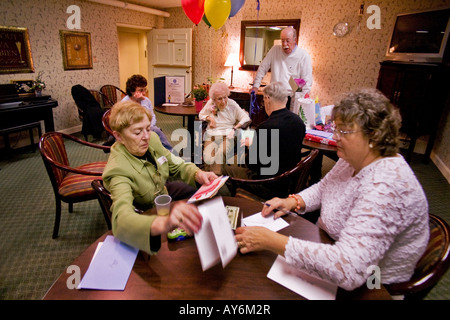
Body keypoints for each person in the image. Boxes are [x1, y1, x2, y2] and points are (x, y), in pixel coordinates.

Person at [235, 89, 429, 292]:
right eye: (336, 129)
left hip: (373, 285)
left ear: (374, 135)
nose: (335, 137)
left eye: (344, 132)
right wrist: (293, 201)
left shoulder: (387, 185)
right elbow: (325, 187)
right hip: (331, 245)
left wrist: (270, 240)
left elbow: (348, 269)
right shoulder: (353, 159)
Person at [102, 100, 217, 254]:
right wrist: (165, 223)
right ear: (119, 136)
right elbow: (121, 220)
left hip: (163, 195)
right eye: (137, 132)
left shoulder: (153, 139)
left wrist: (198, 174)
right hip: (145, 216)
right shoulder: (117, 170)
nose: (146, 137)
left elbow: (175, 164)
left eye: (148, 129)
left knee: (195, 192)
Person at [223, 81, 305, 199]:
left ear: (267, 98)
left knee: (226, 170)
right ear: (285, 99)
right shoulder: (298, 121)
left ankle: (234, 205)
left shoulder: (265, 127)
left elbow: (251, 164)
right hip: (289, 179)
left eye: (263, 100)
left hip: (268, 184)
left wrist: (250, 145)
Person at [250, 27, 313, 108]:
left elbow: (307, 82)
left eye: (287, 41)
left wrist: (301, 103)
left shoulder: (303, 56)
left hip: (290, 98)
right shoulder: (275, 50)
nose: (284, 44)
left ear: (295, 40)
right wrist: (256, 86)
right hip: (273, 96)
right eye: (282, 40)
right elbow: (263, 68)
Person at [198, 82, 251, 175]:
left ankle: (215, 179)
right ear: (214, 99)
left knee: (220, 153)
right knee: (208, 155)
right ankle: (208, 176)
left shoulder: (232, 104)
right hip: (211, 134)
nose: (223, 101)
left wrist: (235, 128)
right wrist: (209, 118)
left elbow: (246, 118)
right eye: (219, 99)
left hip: (228, 135)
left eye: (225, 97)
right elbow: (201, 114)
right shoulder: (210, 103)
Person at [121, 74, 173, 151]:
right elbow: (129, 121)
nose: (144, 93)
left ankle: (168, 152)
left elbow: (152, 116)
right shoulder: (125, 103)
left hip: (147, 126)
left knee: (155, 131)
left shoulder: (146, 101)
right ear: (132, 91)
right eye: (141, 90)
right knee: (156, 132)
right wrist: (137, 102)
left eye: (145, 89)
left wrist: (149, 127)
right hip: (132, 128)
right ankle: (169, 151)